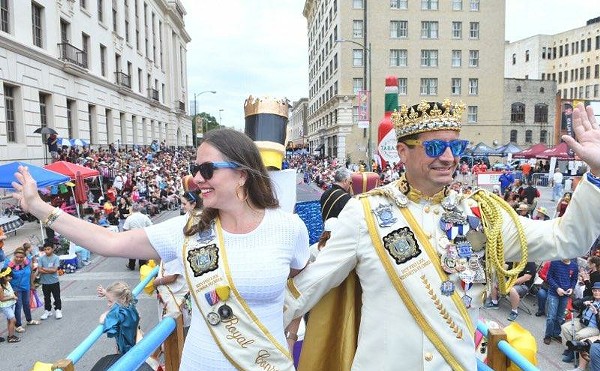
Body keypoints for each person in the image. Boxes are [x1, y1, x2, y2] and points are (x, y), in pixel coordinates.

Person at [281, 100, 600, 370]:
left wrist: (597, 174)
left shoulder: (483, 215)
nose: (448, 157)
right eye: (434, 147)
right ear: (402, 153)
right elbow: (306, 288)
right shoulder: (364, 214)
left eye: (455, 146)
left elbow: (566, 238)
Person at [11, 128, 309, 370]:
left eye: (207, 169)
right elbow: (108, 241)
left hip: (265, 363)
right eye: (195, 169)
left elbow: (300, 282)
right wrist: (40, 208)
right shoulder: (188, 230)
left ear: (242, 173)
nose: (197, 179)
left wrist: (293, 331)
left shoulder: (289, 228)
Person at [544, 259, 579, 345]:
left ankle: (555, 334)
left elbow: (574, 279)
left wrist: (572, 288)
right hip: (554, 293)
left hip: (565, 295)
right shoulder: (555, 262)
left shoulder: (574, 266)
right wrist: (557, 288)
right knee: (551, 316)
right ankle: (548, 335)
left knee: (560, 316)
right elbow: (549, 277)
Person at [6, 247, 39, 332]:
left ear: (24, 256)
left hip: (26, 286)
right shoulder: (8, 264)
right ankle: (18, 325)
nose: (19, 259)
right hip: (15, 289)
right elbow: (5, 278)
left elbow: (31, 272)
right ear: (14, 256)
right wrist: (10, 290)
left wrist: (32, 284)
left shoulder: (27, 261)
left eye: (21, 257)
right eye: (17, 257)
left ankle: (29, 320)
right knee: (18, 306)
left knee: (27, 304)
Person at [122, 203, 152, 271]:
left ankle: (131, 265)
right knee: (143, 251)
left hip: (133, 237)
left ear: (132, 209)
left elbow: (125, 228)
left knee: (132, 252)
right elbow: (151, 226)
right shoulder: (144, 217)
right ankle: (142, 265)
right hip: (143, 236)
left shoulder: (129, 218)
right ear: (139, 209)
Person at [38, 241, 62, 320]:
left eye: (48, 249)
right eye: (45, 249)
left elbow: (54, 270)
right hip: (45, 282)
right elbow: (39, 270)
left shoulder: (56, 258)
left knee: (56, 297)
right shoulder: (41, 258)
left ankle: (58, 309)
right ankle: (47, 310)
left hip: (54, 281)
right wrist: (49, 270)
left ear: (52, 249)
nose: (46, 251)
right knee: (46, 297)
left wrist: (44, 269)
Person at [0, 267, 20, 343]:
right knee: (13, 320)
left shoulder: (7, 283)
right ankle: (11, 337)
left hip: (11, 304)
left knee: (9, 320)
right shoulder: (1, 287)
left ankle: (10, 334)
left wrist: (13, 293)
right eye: (9, 276)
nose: (10, 278)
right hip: (5, 306)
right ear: (3, 277)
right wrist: (12, 296)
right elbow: (1, 299)